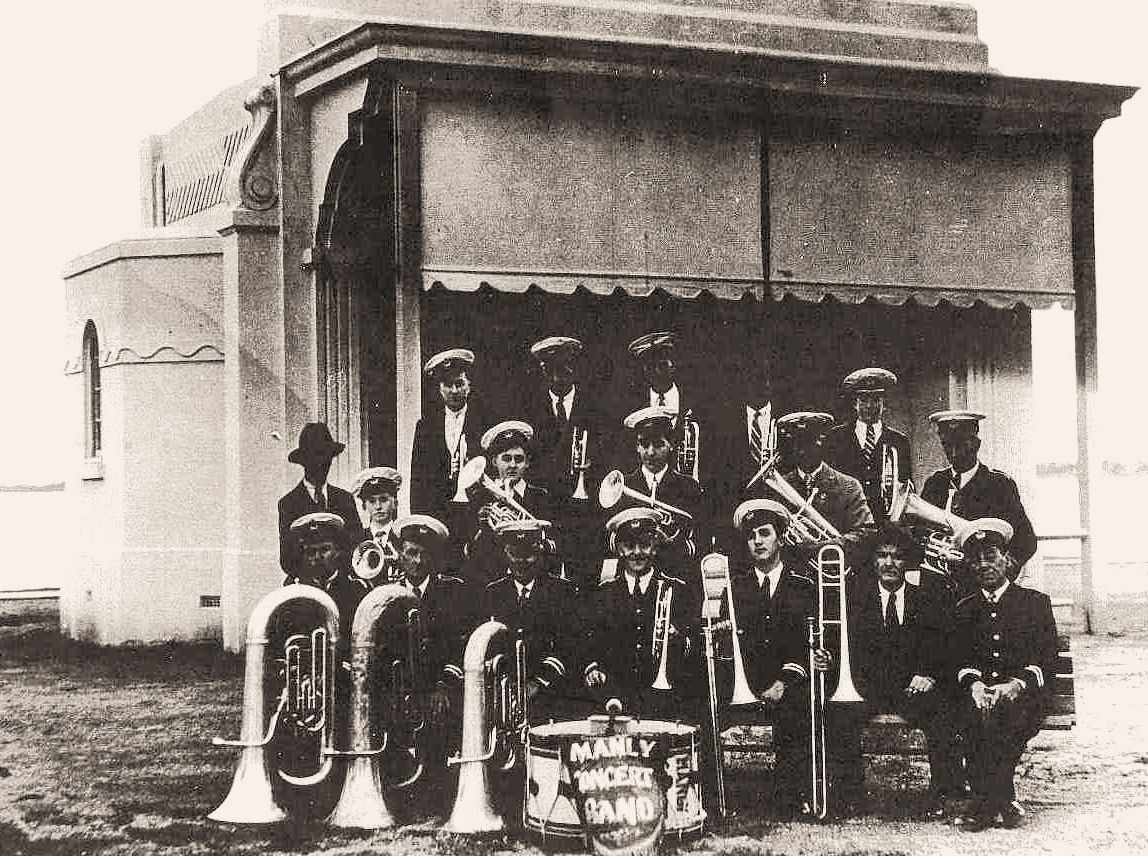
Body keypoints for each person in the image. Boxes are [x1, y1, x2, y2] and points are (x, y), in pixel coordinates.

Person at [845, 522, 960, 818]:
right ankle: (848, 794)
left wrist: (929, 676)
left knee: (942, 711)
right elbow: (856, 655)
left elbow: (943, 648)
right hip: (870, 689)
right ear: (873, 561)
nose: (889, 563)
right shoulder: (855, 598)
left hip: (912, 690)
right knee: (839, 711)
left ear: (907, 561)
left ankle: (943, 794)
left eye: (896, 556)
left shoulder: (927, 598)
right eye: (882, 555)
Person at [951, 518, 1057, 831]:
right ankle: (1003, 798)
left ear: (1006, 559)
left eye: (991, 556)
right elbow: (958, 656)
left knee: (1009, 718)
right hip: (979, 694)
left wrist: (1018, 683)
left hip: (1023, 695)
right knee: (971, 718)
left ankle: (984, 803)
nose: (984, 564)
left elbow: (1047, 656)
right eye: (977, 559)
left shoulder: (1035, 604)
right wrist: (974, 685)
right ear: (970, 565)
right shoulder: (963, 608)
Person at [722, 499, 817, 818]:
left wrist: (783, 681)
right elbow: (725, 642)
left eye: (765, 533)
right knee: (704, 706)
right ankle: (716, 796)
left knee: (798, 707)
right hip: (744, 682)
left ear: (781, 537)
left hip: (787, 682)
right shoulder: (734, 588)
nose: (758, 541)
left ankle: (790, 796)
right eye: (751, 535)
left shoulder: (804, 585)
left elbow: (808, 644)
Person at [582, 508, 701, 719]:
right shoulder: (603, 593)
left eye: (645, 545)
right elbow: (591, 642)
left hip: (665, 702)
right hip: (615, 699)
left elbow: (694, 647)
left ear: (655, 548)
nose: (637, 552)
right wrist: (592, 668)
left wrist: (678, 639)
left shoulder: (678, 591)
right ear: (619, 549)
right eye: (629, 545)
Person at [386, 514, 473, 804]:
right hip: (400, 688)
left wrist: (443, 686)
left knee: (443, 715)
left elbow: (459, 644)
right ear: (399, 554)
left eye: (425, 554)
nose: (418, 561)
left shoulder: (454, 591)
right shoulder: (387, 594)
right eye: (411, 553)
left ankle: (437, 786)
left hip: (438, 685)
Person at [525, 335, 611, 590]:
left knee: (586, 580)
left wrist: (593, 466)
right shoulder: (529, 407)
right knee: (547, 580)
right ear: (543, 372)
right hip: (547, 508)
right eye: (551, 372)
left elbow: (609, 455)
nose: (557, 379)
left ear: (574, 369)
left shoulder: (596, 407)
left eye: (564, 371)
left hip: (586, 512)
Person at [481, 518, 580, 723]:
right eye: (514, 554)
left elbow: (569, 645)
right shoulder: (492, 592)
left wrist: (538, 682)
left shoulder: (562, 591)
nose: (521, 562)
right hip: (504, 698)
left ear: (540, 553)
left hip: (550, 695)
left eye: (529, 555)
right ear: (505, 554)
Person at [919, 411, 1037, 580]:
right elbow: (921, 533)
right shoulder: (935, 483)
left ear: (976, 444)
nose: (953, 453)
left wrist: (1003, 572)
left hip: (981, 588)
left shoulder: (999, 484)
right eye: (947, 445)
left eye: (961, 445)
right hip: (941, 588)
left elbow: (1026, 540)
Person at [607, 406, 707, 577]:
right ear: (637, 447)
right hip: (632, 577)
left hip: (675, 575)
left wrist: (669, 543)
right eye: (644, 444)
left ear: (671, 445)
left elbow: (700, 542)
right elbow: (611, 541)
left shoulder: (689, 487)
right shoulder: (621, 486)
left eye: (659, 444)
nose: (651, 452)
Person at [770, 411, 876, 570]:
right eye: (797, 444)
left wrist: (821, 547)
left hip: (833, 572)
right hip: (791, 578)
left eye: (809, 443)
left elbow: (865, 534)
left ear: (822, 443)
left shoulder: (848, 486)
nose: (802, 451)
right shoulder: (779, 487)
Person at [409, 348, 488, 559]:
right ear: (439, 389)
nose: (454, 390)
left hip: (475, 518)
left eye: (459, 383)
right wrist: (421, 526)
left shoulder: (484, 421)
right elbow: (418, 480)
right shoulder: (426, 426)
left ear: (469, 386)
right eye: (447, 385)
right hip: (439, 519)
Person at [464, 420, 559, 583]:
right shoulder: (479, 499)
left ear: (527, 463)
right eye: (506, 459)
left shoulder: (542, 497)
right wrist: (483, 529)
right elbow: (469, 552)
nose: (512, 465)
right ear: (494, 461)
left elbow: (554, 547)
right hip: (491, 582)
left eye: (518, 459)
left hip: (532, 582)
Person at [824, 368, 912, 525]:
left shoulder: (899, 441)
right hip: (847, 523)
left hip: (884, 526)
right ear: (854, 404)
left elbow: (905, 490)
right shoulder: (835, 438)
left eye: (876, 399)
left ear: (884, 404)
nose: (870, 406)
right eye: (864, 400)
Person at [278, 422, 361, 580]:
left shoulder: (344, 499)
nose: (323, 464)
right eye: (315, 458)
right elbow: (286, 559)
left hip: (341, 584)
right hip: (305, 584)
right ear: (303, 462)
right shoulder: (288, 504)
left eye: (327, 458)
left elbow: (356, 545)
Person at [627, 331, 703, 484]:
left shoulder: (696, 403)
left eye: (662, 365)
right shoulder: (633, 405)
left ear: (673, 365)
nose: (656, 372)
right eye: (650, 367)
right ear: (644, 370)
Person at [349, 466, 404, 581]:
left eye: (384, 499)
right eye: (372, 501)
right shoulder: (356, 540)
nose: (378, 506)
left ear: (395, 503)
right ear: (364, 506)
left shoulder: (403, 538)